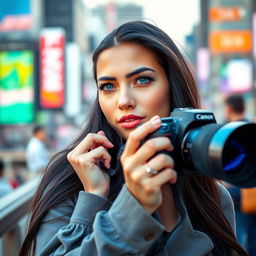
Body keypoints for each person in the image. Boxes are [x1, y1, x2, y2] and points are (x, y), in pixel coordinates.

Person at [19, 21, 247, 256]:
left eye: (142, 80)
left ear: (173, 85)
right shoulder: (70, 179)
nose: (123, 100)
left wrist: (168, 208)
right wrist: (100, 202)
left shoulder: (214, 197)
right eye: (108, 86)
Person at [224, 94, 256, 256]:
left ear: (229, 108)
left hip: (240, 192)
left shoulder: (227, 133)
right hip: (252, 190)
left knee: (241, 230)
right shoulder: (251, 128)